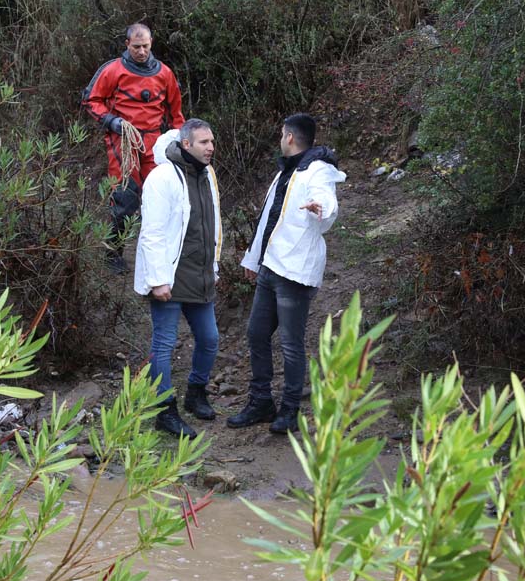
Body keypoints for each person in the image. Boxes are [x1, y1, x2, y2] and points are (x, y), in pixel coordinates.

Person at [228, 113, 345, 433]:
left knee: (291, 343)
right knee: (256, 333)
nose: (281, 138)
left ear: (289, 137)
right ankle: (261, 401)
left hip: (294, 270)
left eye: (282, 133)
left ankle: (290, 410)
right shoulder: (285, 173)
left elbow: (326, 200)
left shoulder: (318, 171)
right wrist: (254, 262)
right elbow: (268, 219)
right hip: (270, 266)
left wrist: (321, 208)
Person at [134, 119, 222, 438]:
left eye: (212, 141)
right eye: (203, 142)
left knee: (210, 339)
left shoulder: (207, 176)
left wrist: (213, 268)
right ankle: (165, 410)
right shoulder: (161, 178)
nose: (211, 147)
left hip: (199, 275)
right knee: (164, 343)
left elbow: (213, 227)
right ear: (186, 145)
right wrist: (158, 279)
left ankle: (196, 393)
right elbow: (153, 233)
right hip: (170, 277)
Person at [83, 24, 185, 272]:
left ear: (152, 44)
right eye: (136, 46)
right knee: (125, 198)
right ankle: (113, 253)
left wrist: (181, 144)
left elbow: (176, 113)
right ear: (127, 44)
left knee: (160, 197)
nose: (141, 51)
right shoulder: (113, 70)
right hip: (122, 139)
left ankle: (159, 255)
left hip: (155, 142)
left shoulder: (165, 73)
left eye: (145, 46)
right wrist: (112, 121)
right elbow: (91, 100)